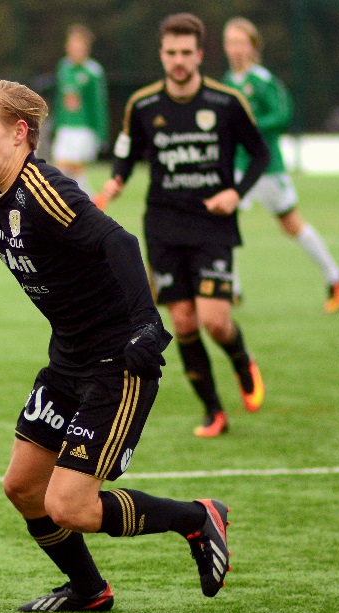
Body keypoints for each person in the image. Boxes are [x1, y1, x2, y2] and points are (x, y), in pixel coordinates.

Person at [0, 78, 232, 613]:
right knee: (23, 489)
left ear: (20, 134)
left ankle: (197, 518)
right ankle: (88, 589)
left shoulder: (45, 190)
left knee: (68, 505)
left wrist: (149, 325)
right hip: (68, 362)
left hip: (119, 363)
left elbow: (118, 241)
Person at [98, 13, 271, 438]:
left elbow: (260, 155)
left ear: (199, 54)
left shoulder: (226, 102)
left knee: (214, 320)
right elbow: (127, 151)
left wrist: (237, 192)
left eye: (186, 53)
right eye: (171, 52)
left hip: (212, 224)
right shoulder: (142, 105)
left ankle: (240, 357)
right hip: (163, 226)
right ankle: (214, 411)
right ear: (162, 54)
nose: (178, 60)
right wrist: (116, 180)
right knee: (184, 323)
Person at [222, 16, 339, 314]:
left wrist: (251, 125)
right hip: (238, 167)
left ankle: (336, 277)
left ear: (254, 47)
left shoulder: (261, 80)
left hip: (266, 168)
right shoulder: (228, 81)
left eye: (241, 42)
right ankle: (231, 288)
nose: (235, 49)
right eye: (230, 42)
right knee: (223, 221)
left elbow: (282, 114)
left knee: (291, 225)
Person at [51, 24, 109, 196]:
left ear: (86, 48)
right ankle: (90, 205)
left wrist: (101, 135)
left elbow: (98, 106)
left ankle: (88, 206)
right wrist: (57, 126)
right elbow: (60, 102)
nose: (74, 49)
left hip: (84, 129)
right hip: (65, 128)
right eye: (71, 44)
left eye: (78, 45)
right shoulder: (63, 68)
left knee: (65, 170)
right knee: (66, 173)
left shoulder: (93, 72)